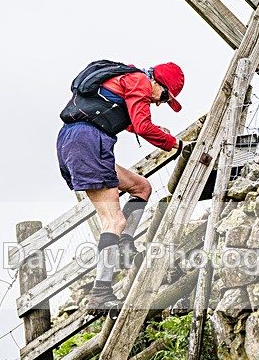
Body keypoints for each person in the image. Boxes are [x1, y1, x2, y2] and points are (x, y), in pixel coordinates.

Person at [57, 61, 186, 314]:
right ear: (157, 82)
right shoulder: (139, 80)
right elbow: (141, 126)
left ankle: (125, 247)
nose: (159, 103)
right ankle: (101, 293)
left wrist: (156, 129)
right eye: (163, 96)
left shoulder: (126, 80)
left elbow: (124, 119)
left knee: (142, 187)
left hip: (74, 140)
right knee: (113, 221)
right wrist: (176, 144)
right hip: (88, 142)